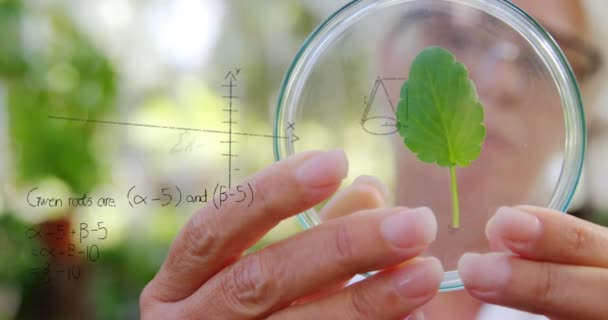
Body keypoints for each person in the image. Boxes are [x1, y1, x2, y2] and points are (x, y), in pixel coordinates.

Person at [139, 0, 607, 319]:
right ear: (388, 58)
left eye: (551, 59)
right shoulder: (290, 295)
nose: (501, 83)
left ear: (584, 100)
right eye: (464, 38)